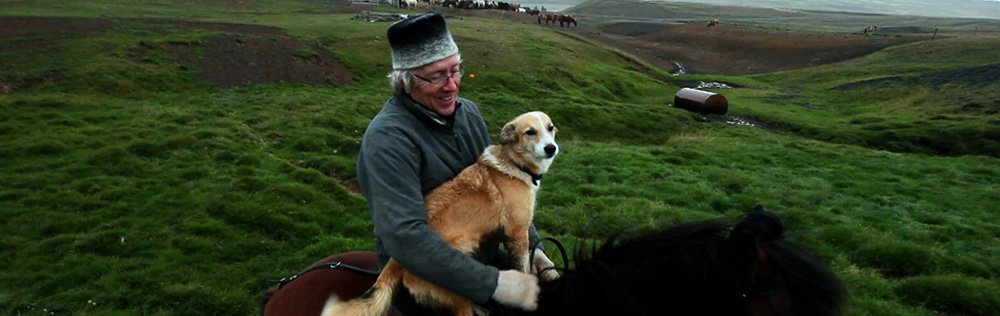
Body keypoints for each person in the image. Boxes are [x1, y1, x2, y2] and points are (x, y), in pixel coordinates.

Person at [355, 12, 558, 315]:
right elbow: (405, 237)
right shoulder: (388, 139)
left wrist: (535, 247)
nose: (451, 86)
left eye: (455, 71)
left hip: (481, 254)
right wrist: (493, 284)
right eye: (435, 76)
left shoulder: (468, 113)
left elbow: (510, 184)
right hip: (425, 274)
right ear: (405, 81)